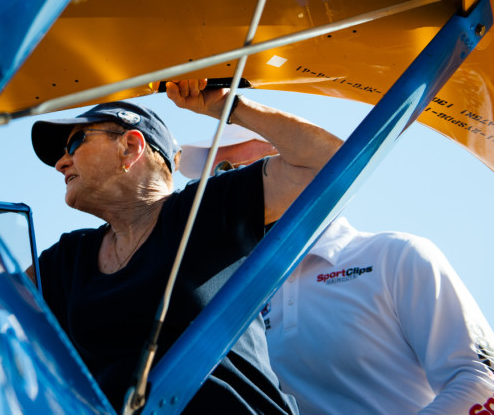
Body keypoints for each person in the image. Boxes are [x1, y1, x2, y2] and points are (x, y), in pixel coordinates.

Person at [27, 80, 342, 412]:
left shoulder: (205, 209)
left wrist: (228, 108)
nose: (61, 163)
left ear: (130, 148)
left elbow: (331, 164)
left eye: (75, 143)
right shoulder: (67, 259)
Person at [178, 132, 494, 414]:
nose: (221, 187)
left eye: (231, 169)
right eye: (215, 176)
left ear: (294, 161)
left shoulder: (394, 256)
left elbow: (482, 381)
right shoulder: (222, 302)